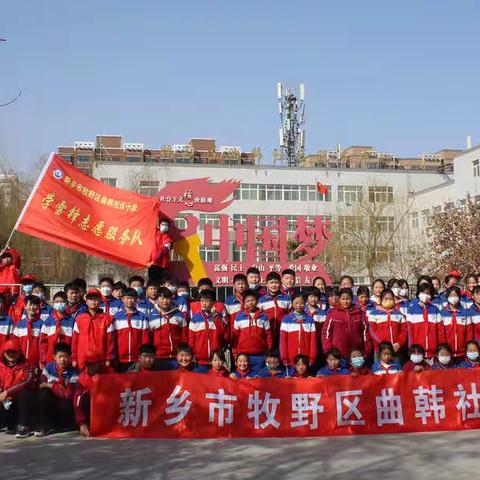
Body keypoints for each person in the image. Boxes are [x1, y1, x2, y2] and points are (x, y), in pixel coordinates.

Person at [36, 342, 78, 436]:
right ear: (54, 357)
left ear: (70, 357)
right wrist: (49, 386)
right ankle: (43, 426)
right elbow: (41, 384)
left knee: (66, 402)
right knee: (43, 393)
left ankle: (64, 424)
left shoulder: (73, 372)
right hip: (52, 401)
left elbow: (68, 394)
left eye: (66, 356)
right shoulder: (48, 368)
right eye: (60, 356)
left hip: (64, 402)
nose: (63, 360)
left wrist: (51, 385)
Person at [0, 339, 36, 438]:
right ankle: (9, 424)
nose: (11, 354)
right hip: (7, 402)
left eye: (14, 351)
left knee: (24, 393)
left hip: (22, 401)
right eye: (8, 352)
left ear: (20, 352)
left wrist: (7, 392)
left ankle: (24, 426)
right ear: (4, 353)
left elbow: (26, 382)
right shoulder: (1, 366)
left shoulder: (27, 366)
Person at [74, 350, 114, 437]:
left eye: (93, 364)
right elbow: (77, 401)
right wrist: (81, 423)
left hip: (108, 407)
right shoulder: (82, 378)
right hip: (92, 408)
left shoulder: (110, 373)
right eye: (88, 364)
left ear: (99, 363)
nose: (90, 367)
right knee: (83, 399)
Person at [71, 289, 115, 370]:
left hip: (100, 361)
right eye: (91, 299)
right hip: (82, 360)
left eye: (96, 299)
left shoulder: (107, 319)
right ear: (86, 301)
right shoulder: (80, 319)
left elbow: (110, 342)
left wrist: (108, 359)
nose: (93, 301)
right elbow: (75, 341)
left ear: (100, 301)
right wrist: (74, 358)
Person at [321, 288, 370, 360]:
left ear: (352, 299)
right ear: (339, 299)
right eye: (343, 299)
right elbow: (326, 332)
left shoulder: (359, 313)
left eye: (348, 299)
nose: (345, 301)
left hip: (356, 352)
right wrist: (328, 350)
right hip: (338, 353)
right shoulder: (333, 313)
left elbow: (365, 332)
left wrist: (367, 349)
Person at [232, 290, 273, 374]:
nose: (250, 303)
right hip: (243, 355)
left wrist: (269, 351)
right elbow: (235, 337)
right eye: (248, 301)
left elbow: (268, 336)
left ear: (257, 301)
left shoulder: (264, 317)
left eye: (252, 300)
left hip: (260, 355)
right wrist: (235, 353)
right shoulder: (239, 316)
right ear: (244, 303)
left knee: (258, 380)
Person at [148, 287, 188, 370]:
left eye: (167, 298)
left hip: (177, 358)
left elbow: (185, 336)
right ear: (157, 299)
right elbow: (149, 339)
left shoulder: (179, 315)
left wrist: (183, 354)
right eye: (162, 298)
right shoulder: (151, 317)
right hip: (158, 358)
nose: (165, 301)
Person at [112, 288, 150, 372]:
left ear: (136, 299)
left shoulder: (142, 317)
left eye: (132, 298)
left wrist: (143, 356)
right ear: (122, 299)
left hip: (136, 359)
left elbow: (145, 338)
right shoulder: (116, 317)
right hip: (120, 359)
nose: (129, 300)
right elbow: (113, 339)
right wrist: (114, 356)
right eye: (127, 298)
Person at [188, 289, 226, 372]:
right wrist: (192, 354)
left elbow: (221, 331)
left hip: (216, 360)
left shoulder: (218, 316)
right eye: (202, 301)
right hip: (200, 360)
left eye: (207, 301)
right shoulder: (195, 318)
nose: (204, 303)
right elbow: (191, 338)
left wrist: (215, 316)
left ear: (213, 303)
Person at [368, 289, 407, 360]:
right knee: (380, 370)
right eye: (386, 299)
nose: (389, 301)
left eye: (391, 299)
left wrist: (399, 343)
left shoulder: (399, 314)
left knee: (395, 369)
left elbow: (404, 331)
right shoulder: (374, 314)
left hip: (395, 350)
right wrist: (383, 344)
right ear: (381, 300)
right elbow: (372, 331)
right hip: (380, 349)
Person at [280, 293, 317, 368]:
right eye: (296, 303)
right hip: (291, 359)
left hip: (305, 360)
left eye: (302, 303)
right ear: (292, 304)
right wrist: (284, 358)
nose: (299, 305)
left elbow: (313, 341)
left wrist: (312, 358)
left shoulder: (309, 319)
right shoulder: (286, 319)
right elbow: (283, 341)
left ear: (305, 304)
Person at [405, 283, 439, 362]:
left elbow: (440, 330)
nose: (426, 295)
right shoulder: (412, 309)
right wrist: (411, 348)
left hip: (432, 352)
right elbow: (410, 331)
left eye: (428, 293)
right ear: (419, 293)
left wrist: (439, 347)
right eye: (423, 293)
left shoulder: (435, 309)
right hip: (418, 351)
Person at [438, 285, 472, 360]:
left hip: (463, 353)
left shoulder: (465, 312)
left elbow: (469, 333)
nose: (453, 297)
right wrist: (444, 349)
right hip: (447, 353)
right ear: (447, 297)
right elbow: (440, 334)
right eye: (451, 295)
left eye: (455, 295)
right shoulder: (441, 313)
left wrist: (468, 348)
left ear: (459, 297)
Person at [40, 291, 75, 365]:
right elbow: (43, 342)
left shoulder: (71, 321)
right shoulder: (48, 321)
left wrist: (73, 358)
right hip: (50, 358)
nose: (59, 304)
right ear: (53, 303)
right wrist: (43, 359)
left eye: (62, 302)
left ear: (66, 303)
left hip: (66, 359)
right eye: (57, 302)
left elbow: (74, 342)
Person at [258, 272, 291, 347]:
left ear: (280, 283)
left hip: (282, 333)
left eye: (276, 282)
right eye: (271, 283)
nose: (274, 285)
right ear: (267, 284)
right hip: (266, 334)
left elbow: (290, 316)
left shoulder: (287, 298)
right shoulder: (261, 300)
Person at [13, 295, 43, 367]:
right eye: (30, 304)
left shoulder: (42, 324)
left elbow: (43, 345)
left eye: (34, 305)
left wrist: (42, 360)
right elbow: (15, 343)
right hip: (20, 362)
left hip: (36, 362)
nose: (32, 307)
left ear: (38, 307)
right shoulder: (19, 324)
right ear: (25, 306)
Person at [147, 217, 173, 283]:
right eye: (163, 224)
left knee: (160, 282)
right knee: (152, 282)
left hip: (162, 265)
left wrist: (153, 261)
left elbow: (163, 251)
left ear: (169, 227)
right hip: (151, 264)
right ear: (159, 225)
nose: (164, 226)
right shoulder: (154, 233)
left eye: (166, 225)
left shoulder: (168, 239)